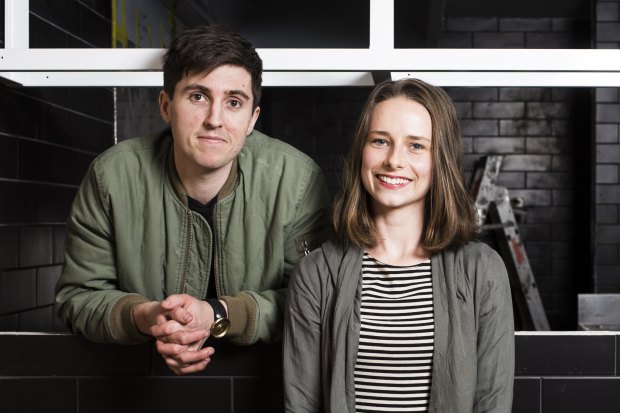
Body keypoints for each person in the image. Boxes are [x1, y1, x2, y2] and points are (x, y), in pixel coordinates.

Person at [55, 25, 330, 375]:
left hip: (265, 388)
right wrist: (147, 317)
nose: (215, 120)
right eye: (198, 96)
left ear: (252, 119)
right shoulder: (112, 176)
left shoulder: (296, 180)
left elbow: (316, 299)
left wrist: (218, 313)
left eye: (234, 102)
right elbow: (77, 298)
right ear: (166, 106)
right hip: (136, 387)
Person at [283, 78, 514, 412]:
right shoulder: (317, 273)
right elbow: (301, 404)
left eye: (416, 146)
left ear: (440, 160)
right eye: (380, 141)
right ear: (361, 149)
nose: (394, 160)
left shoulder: (481, 270)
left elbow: (493, 402)